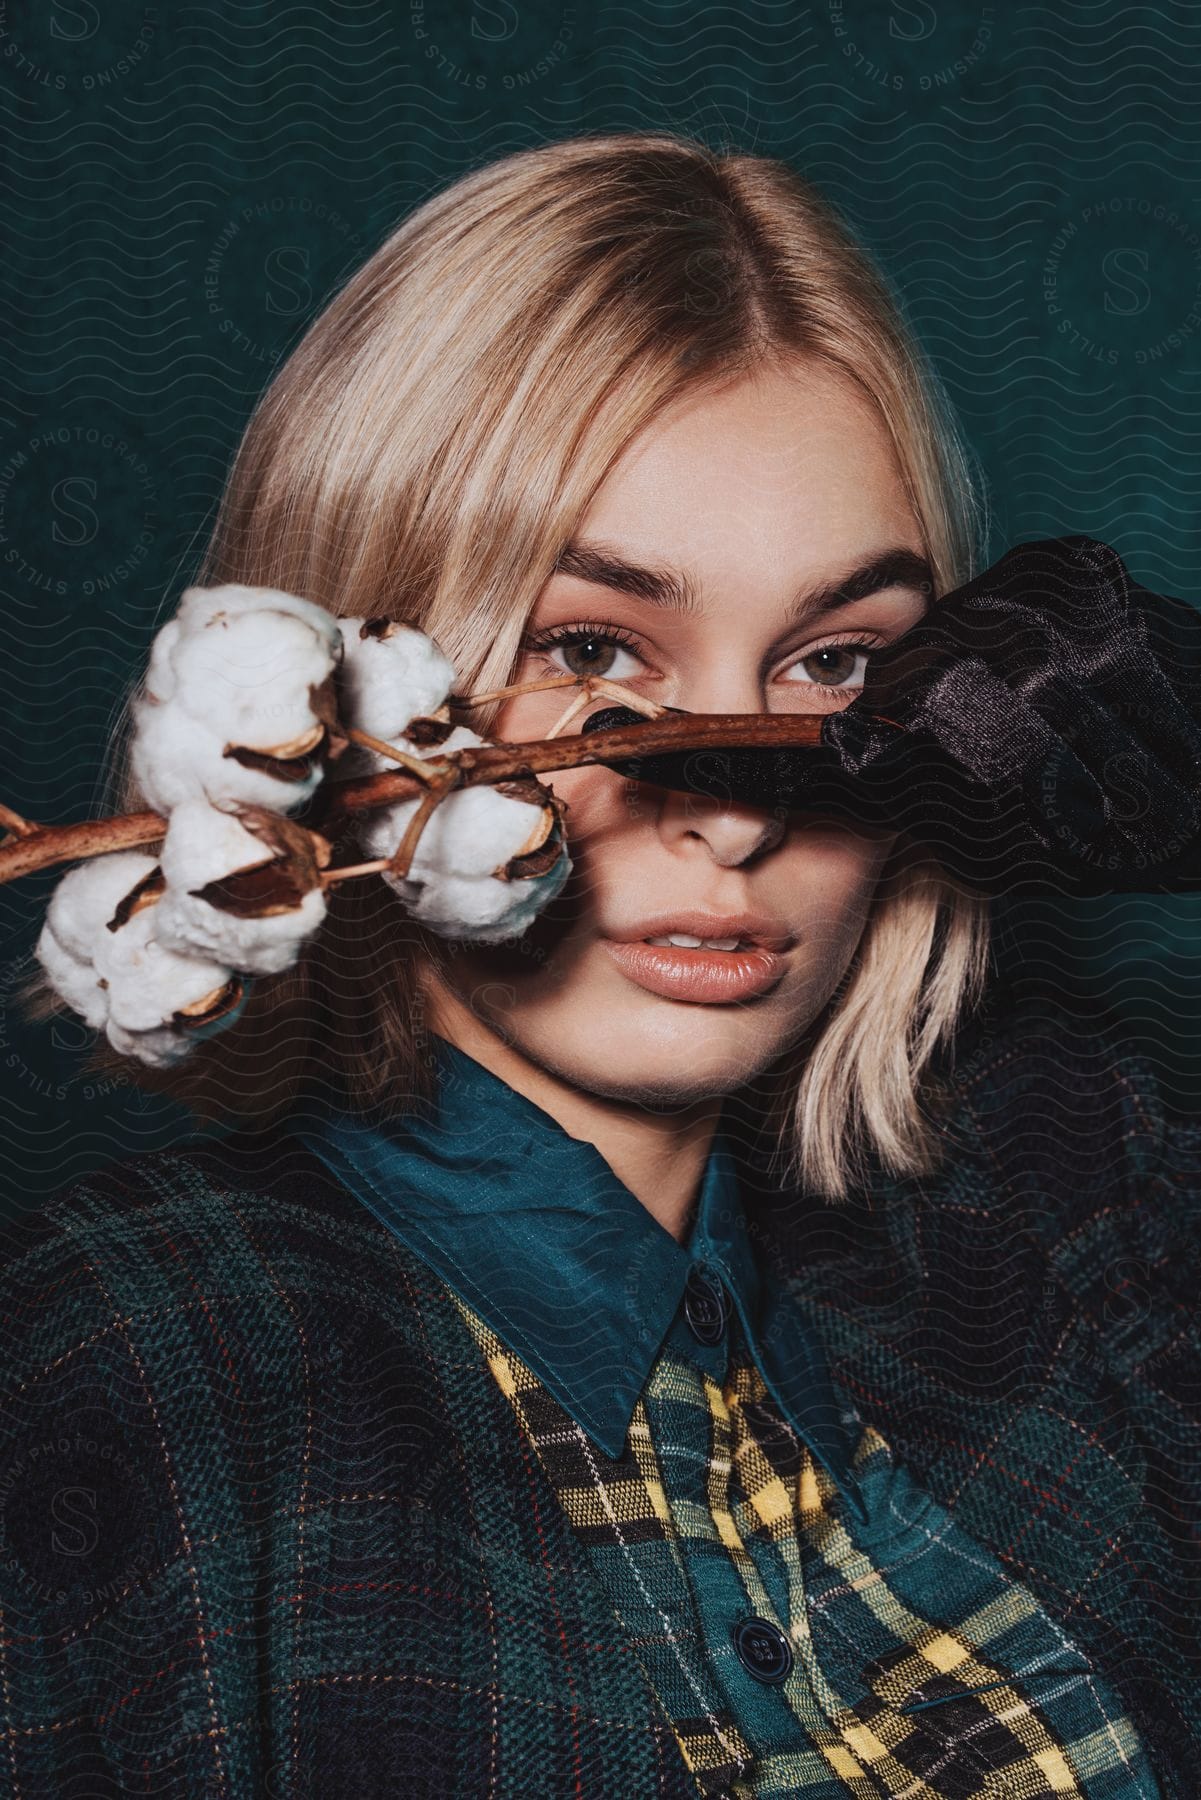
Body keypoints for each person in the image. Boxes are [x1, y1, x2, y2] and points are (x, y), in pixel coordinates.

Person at [4, 132, 1197, 1798]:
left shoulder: (1072, 1203)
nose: (732, 819)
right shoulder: (121, 1355)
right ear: (347, 687)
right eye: (586, 647)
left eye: (834, 664)